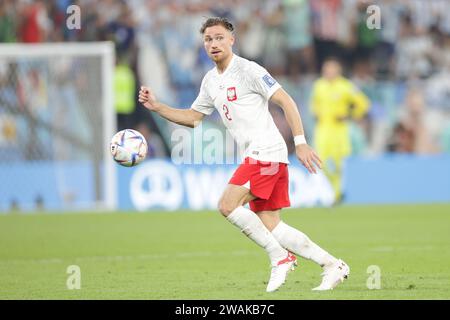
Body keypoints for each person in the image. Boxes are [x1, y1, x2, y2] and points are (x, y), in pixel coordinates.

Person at [139, 17, 349, 292]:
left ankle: (280, 257)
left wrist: (300, 142)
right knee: (272, 224)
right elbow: (193, 118)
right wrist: (157, 107)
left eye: (219, 38)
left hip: (267, 152)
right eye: (208, 39)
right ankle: (333, 265)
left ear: (231, 40)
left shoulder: (249, 70)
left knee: (227, 205)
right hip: (259, 155)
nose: (213, 44)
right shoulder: (211, 81)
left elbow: (285, 100)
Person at [311, 57, 370, 203]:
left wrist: (349, 115)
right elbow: (313, 103)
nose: (328, 72)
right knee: (320, 162)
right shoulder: (319, 85)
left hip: (339, 131)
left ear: (338, 71)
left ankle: (337, 195)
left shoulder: (346, 86)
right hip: (323, 130)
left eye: (331, 69)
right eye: (326, 69)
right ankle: (335, 190)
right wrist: (316, 112)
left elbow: (363, 104)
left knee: (338, 164)